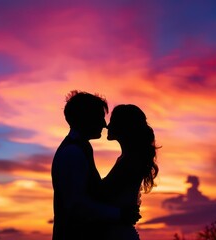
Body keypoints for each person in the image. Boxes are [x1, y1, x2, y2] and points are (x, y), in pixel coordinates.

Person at [51, 91, 141, 240]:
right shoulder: (72, 152)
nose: (104, 124)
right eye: (100, 117)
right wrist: (119, 214)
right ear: (86, 118)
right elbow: (76, 206)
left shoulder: (82, 148)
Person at [98, 104, 159, 240]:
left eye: (113, 121)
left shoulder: (131, 160)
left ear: (124, 126)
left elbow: (103, 193)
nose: (107, 126)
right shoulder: (128, 158)